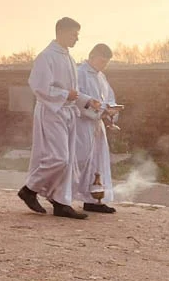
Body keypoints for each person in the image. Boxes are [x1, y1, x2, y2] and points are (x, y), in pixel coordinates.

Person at [18, 17, 99, 220]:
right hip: (51, 111)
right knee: (59, 157)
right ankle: (29, 188)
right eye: (74, 34)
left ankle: (62, 201)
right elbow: (39, 86)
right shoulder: (46, 57)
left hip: (67, 111)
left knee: (68, 159)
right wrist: (64, 96)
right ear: (61, 32)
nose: (77, 38)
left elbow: (74, 91)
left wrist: (88, 101)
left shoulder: (69, 58)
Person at [74, 43, 120, 214]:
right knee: (81, 160)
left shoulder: (101, 77)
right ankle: (59, 196)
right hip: (83, 124)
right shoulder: (79, 73)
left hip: (97, 125)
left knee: (98, 161)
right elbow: (77, 99)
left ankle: (94, 199)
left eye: (106, 63)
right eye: (101, 61)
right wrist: (100, 110)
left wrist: (112, 110)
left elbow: (109, 98)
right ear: (92, 56)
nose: (103, 65)